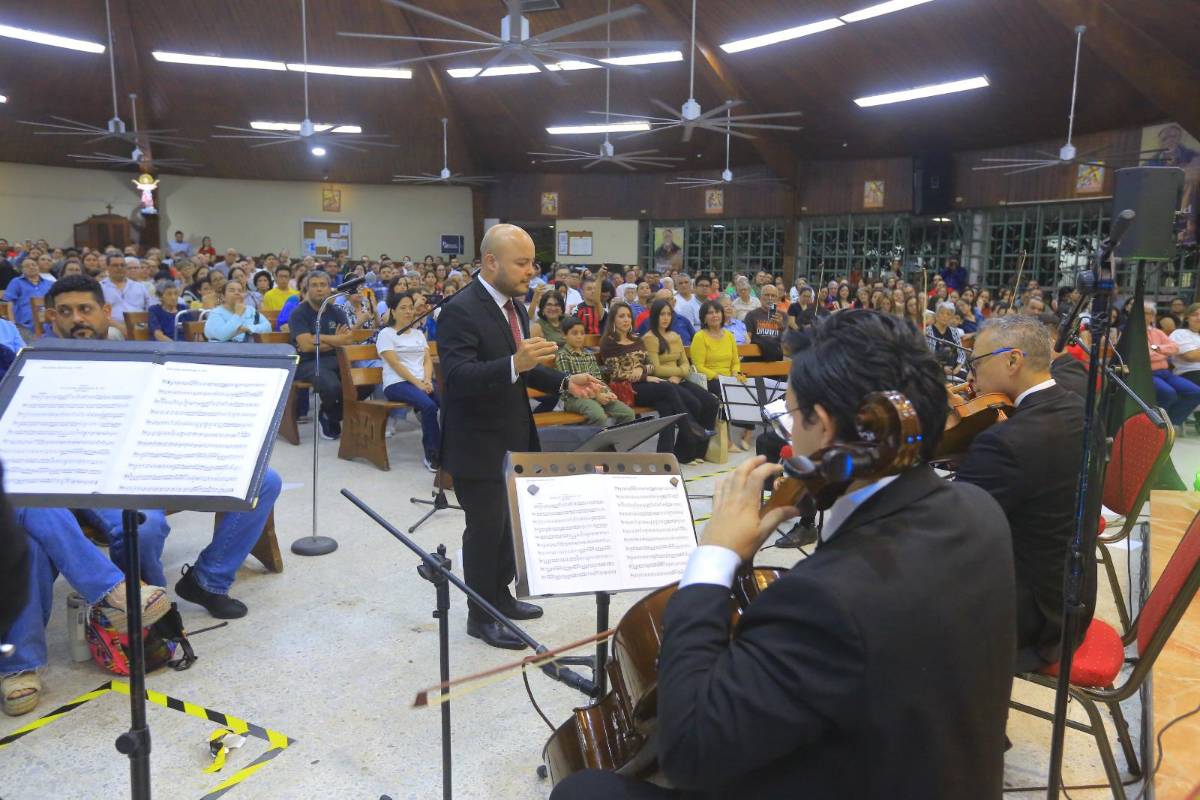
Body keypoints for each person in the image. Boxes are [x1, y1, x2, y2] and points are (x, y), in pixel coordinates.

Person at [552, 310, 1016, 800]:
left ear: (825, 427)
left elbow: (691, 753)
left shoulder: (824, 598)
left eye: (793, 416)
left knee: (584, 792)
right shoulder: (979, 510)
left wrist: (713, 559)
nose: (790, 436)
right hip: (931, 767)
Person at [41, 275, 284, 620]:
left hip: (158, 456)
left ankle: (209, 579)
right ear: (52, 317)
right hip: (96, 475)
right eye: (66, 312)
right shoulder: (42, 363)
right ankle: (149, 611)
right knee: (144, 526)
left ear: (105, 312)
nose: (77, 318)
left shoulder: (136, 355)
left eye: (85, 309)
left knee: (264, 480)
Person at [438, 224, 603, 650]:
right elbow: (458, 377)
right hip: (478, 443)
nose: (532, 271)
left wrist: (565, 382)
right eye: (522, 263)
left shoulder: (513, 307)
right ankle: (480, 615)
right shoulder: (460, 310)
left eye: (533, 262)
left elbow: (524, 369)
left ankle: (501, 596)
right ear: (491, 262)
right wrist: (515, 363)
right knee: (485, 530)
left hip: (513, 435)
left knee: (510, 528)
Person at [955, 314, 1090, 672]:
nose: (971, 377)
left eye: (976, 363)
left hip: (1027, 619)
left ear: (1013, 360)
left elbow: (952, 528)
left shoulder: (1005, 442)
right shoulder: (1080, 408)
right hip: (1071, 598)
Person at [600, 302, 712, 465]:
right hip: (625, 389)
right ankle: (690, 430)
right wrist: (644, 377)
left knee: (667, 407)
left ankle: (664, 456)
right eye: (621, 316)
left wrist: (642, 370)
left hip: (643, 386)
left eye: (628, 316)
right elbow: (615, 373)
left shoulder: (636, 339)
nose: (626, 320)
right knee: (667, 388)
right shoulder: (609, 342)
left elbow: (650, 366)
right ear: (613, 320)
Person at [288, 271, 358, 440]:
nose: (319, 289)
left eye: (323, 285)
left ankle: (330, 413)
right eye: (314, 285)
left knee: (363, 382)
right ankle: (329, 416)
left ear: (329, 289)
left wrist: (318, 338)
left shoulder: (337, 312)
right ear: (307, 289)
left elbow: (348, 340)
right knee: (331, 385)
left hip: (336, 360)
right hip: (307, 363)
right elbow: (306, 346)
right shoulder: (299, 313)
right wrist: (336, 340)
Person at [376, 290, 442, 471]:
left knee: (449, 402)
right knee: (428, 406)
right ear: (393, 311)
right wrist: (418, 383)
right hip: (397, 383)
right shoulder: (386, 334)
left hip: (421, 381)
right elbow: (395, 364)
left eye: (411, 308)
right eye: (403, 308)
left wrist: (427, 380)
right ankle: (432, 455)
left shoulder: (418, 334)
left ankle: (451, 449)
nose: (408, 312)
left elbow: (427, 360)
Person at [555, 317, 635, 426]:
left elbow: (598, 379)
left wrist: (607, 392)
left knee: (628, 414)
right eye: (574, 333)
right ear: (565, 335)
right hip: (572, 398)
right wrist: (596, 396)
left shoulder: (589, 355)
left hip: (596, 394)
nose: (579, 336)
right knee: (598, 416)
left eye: (582, 333)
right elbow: (567, 384)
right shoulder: (563, 355)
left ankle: (613, 436)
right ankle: (588, 436)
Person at [204, 279, 272, 342]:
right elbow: (222, 335)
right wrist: (238, 314)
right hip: (223, 349)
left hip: (248, 348)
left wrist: (249, 328)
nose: (237, 293)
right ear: (223, 297)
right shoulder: (216, 313)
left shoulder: (250, 310)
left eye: (240, 291)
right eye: (232, 290)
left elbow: (268, 327)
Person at [2, 256, 53, 334]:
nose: (31, 267)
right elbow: (9, 303)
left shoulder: (49, 284)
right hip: (25, 325)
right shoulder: (16, 282)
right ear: (22, 270)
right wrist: (12, 323)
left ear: (38, 267)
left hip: (48, 323)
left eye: (34, 265)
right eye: (27, 266)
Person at [100, 253, 150, 324]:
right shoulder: (100, 287)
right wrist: (119, 327)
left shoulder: (139, 286)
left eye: (122, 265)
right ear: (107, 267)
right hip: (111, 326)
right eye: (115, 265)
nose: (119, 268)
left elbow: (149, 307)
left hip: (139, 324)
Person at [742, 285, 785, 361]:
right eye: (767, 295)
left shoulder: (783, 316)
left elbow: (787, 341)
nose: (770, 298)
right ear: (760, 298)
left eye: (773, 296)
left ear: (777, 299)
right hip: (756, 356)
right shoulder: (751, 315)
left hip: (777, 357)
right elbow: (747, 339)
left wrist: (781, 326)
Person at [926, 301, 966, 377]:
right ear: (936, 315)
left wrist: (958, 368)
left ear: (951, 317)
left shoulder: (954, 332)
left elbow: (961, 353)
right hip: (934, 369)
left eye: (948, 314)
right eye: (942, 313)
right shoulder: (928, 331)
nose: (945, 316)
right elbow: (928, 355)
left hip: (954, 370)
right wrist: (942, 368)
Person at [1170, 302, 1200, 388]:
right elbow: (1191, 356)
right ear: (1187, 318)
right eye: (1195, 315)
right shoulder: (1180, 333)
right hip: (1191, 373)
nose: (1199, 318)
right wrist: (1196, 353)